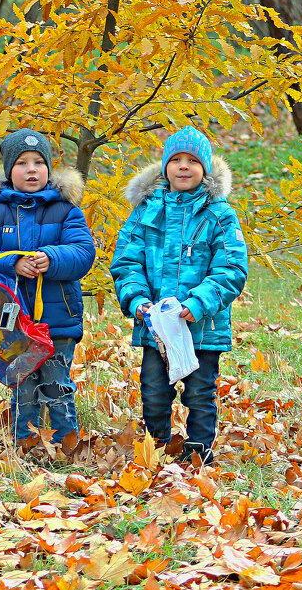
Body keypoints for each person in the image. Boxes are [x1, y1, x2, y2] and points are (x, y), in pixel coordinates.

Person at [110, 126, 249, 465]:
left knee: (201, 392)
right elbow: (127, 261)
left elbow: (232, 268)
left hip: (201, 327)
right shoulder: (145, 212)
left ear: (205, 169)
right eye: (176, 160)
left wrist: (198, 302)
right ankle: (155, 447)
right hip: (156, 326)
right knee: (154, 390)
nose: (183, 167)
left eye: (192, 161)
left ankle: (199, 451)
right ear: (164, 167)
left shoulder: (219, 214)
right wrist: (138, 300)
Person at [0, 129, 96, 447]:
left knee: (56, 382)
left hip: (57, 319)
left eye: (39, 162)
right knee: (22, 383)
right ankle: (25, 443)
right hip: (12, 321)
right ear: (9, 171)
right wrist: (13, 262)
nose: (32, 169)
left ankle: (67, 443)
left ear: (49, 168)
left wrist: (51, 258)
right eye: (22, 163)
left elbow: (82, 253)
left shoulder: (66, 211)